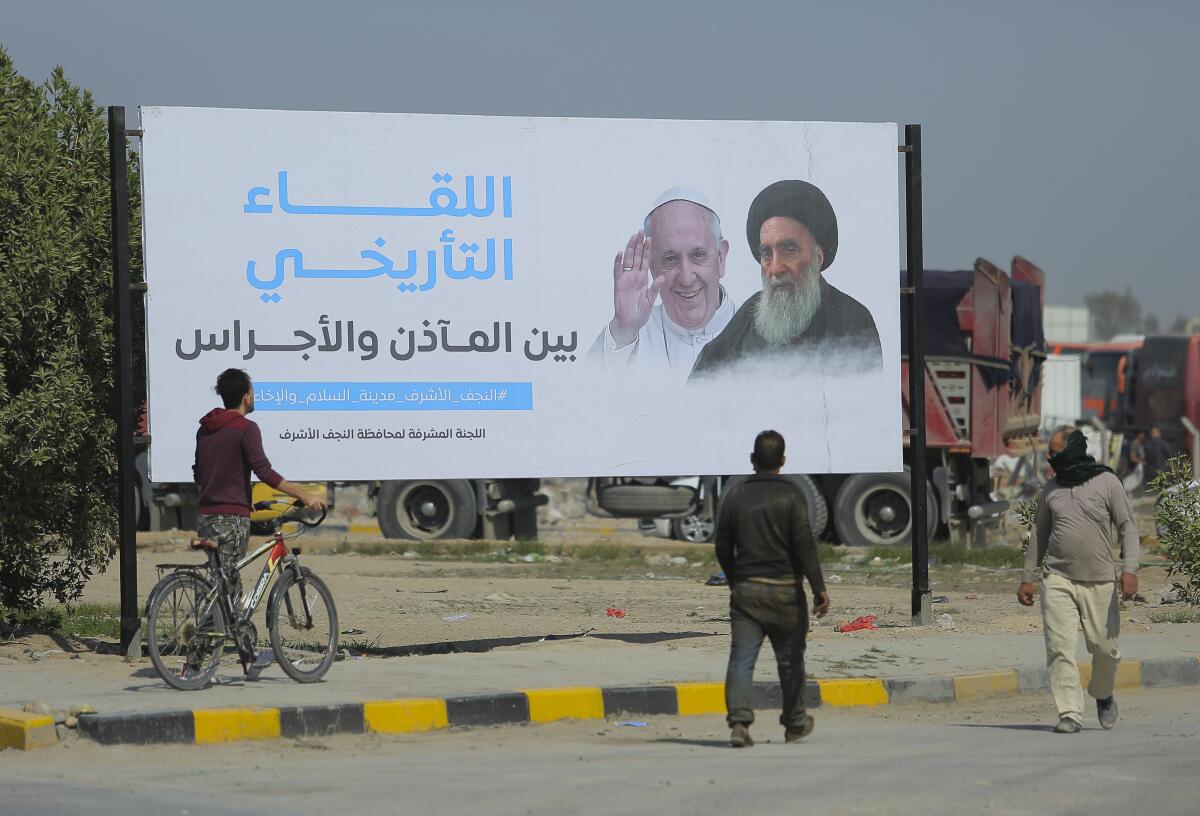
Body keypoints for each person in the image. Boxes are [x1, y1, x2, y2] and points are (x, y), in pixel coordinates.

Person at [690, 180, 881, 379]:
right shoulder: (751, 313)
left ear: (817, 258)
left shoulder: (852, 319)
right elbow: (700, 386)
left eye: (789, 250)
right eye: (766, 254)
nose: (776, 268)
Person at [1017, 425, 1139, 734]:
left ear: (1071, 452)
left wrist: (1130, 569)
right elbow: (1039, 534)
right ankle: (1069, 713)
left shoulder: (1107, 482)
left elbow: (1128, 526)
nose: (1048, 456)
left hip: (1100, 581)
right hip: (1058, 579)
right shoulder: (1052, 488)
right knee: (1059, 647)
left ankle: (1102, 693)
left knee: (1105, 649)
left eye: (1054, 452)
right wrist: (1027, 577)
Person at [715, 430, 830, 747]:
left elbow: (722, 547)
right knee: (791, 661)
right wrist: (819, 588)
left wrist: (734, 578)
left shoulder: (736, 496)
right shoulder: (792, 496)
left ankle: (739, 723)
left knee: (741, 659)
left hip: (747, 593)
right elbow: (805, 547)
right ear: (782, 461)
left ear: (752, 460)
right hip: (786, 596)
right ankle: (794, 724)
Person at [194, 369, 326, 614]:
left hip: (206, 515)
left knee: (221, 580)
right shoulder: (246, 428)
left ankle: (221, 636)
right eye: (252, 392)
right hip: (231, 519)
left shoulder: (205, 428)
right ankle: (213, 634)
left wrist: (241, 498)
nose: (254, 396)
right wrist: (303, 495)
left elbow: (200, 472)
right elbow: (264, 472)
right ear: (246, 396)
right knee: (227, 586)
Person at [588, 188, 737, 382]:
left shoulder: (757, 331)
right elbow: (583, 398)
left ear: (721, 257)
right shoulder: (628, 337)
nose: (686, 278)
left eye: (698, 255)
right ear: (651, 266)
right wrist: (623, 329)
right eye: (670, 259)